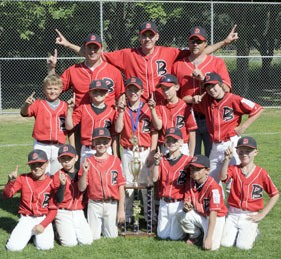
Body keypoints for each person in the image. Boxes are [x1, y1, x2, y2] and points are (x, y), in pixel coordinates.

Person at [54, 22, 238, 104]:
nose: (148, 39)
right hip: (139, 105)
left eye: (151, 35)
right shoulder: (128, 54)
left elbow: (198, 51)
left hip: (163, 104)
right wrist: (69, 44)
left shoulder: (169, 52)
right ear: (139, 37)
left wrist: (224, 42)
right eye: (144, 35)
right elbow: (94, 55)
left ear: (156, 36)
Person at [192, 72, 263, 186]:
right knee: (211, 183)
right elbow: (192, 104)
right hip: (215, 147)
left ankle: (236, 204)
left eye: (213, 86)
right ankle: (216, 204)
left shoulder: (233, 99)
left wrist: (243, 127)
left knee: (233, 184)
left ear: (220, 84)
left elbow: (258, 109)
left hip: (231, 144)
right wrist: (194, 99)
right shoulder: (207, 102)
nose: (211, 89)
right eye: (208, 87)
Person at [172, 25, 233, 157]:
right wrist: (191, 99)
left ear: (205, 43)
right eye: (192, 40)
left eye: (199, 41)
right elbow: (174, 97)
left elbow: (226, 89)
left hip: (212, 117)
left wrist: (204, 79)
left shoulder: (217, 62)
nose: (195, 44)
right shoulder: (178, 65)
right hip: (187, 117)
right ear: (188, 42)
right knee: (192, 161)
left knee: (215, 159)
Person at [220, 136, 279, 250]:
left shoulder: (261, 173)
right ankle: (240, 232)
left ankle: (254, 231)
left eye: (248, 151)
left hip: (250, 215)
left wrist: (262, 214)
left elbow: (275, 194)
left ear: (255, 152)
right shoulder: (234, 169)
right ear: (237, 152)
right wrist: (227, 159)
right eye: (241, 151)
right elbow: (223, 177)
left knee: (243, 247)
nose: (244, 154)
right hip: (233, 214)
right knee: (225, 244)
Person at [115, 76, 158, 223]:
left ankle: (149, 218)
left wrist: (152, 151)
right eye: (130, 89)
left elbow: (155, 130)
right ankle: (126, 218)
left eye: (136, 90)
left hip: (144, 151)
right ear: (126, 91)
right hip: (128, 151)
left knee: (146, 185)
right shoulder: (122, 108)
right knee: (128, 186)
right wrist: (120, 112)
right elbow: (118, 129)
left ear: (142, 91)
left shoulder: (147, 108)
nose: (133, 92)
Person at [3, 150, 57, 251]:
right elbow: (7, 195)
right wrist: (11, 182)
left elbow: (53, 209)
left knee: (46, 247)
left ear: (47, 163)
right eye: (33, 164)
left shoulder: (51, 182)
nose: (36, 167)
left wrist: (43, 225)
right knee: (12, 248)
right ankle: (29, 235)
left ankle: (34, 237)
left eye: (40, 164)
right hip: (26, 218)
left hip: (43, 218)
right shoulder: (23, 178)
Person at [78, 127, 126, 240]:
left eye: (105, 142)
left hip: (111, 204)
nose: (101, 145)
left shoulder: (116, 161)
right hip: (94, 204)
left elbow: (121, 186)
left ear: (110, 142)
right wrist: (84, 172)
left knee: (112, 236)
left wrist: (121, 210)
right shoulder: (88, 161)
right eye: (98, 142)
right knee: (93, 237)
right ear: (93, 143)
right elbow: (81, 188)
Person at [20, 73, 72, 175]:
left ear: (61, 89)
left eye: (55, 89)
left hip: (59, 145)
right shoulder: (38, 104)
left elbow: (70, 127)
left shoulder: (65, 106)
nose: (52, 91)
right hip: (41, 145)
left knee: (57, 175)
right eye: (49, 88)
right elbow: (24, 113)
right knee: (42, 175)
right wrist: (26, 104)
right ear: (44, 89)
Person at [177, 154, 227, 250]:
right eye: (192, 169)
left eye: (198, 169)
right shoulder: (190, 181)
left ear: (207, 170)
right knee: (181, 214)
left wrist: (208, 238)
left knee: (212, 247)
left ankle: (208, 233)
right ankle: (196, 234)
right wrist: (186, 205)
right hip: (201, 215)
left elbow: (214, 214)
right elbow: (187, 198)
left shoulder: (214, 188)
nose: (194, 172)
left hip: (215, 218)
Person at [151, 127, 192, 240]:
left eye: (175, 140)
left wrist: (188, 200)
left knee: (175, 237)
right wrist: (156, 163)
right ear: (164, 143)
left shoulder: (188, 160)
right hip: (164, 202)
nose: (171, 143)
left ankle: (192, 232)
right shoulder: (162, 159)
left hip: (178, 203)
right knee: (162, 235)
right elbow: (154, 179)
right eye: (169, 140)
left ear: (181, 142)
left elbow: (191, 184)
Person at [65, 79, 117, 165]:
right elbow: (69, 127)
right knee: (86, 176)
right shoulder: (83, 108)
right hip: (87, 150)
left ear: (107, 93)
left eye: (102, 91)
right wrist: (70, 110)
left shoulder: (112, 111)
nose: (98, 94)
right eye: (95, 91)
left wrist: (115, 152)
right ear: (90, 93)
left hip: (105, 149)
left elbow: (114, 134)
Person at [52, 144, 93, 246]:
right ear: (59, 160)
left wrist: (84, 173)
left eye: (69, 158)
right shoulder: (57, 175)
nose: (66, 161)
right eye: (63, 158)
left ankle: (67, 229)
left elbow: (82, 189)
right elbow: (59, 200)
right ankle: (56, 229)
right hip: (63, 211)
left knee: (87, 241)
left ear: (76, 158)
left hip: (78, 211)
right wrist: (62, 185)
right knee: (70, 243)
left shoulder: (80, 172)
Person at [148, 74, 197, 157]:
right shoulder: (159, 107)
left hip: (182, 146)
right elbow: (158, 126)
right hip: (166, 146)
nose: (165, 92)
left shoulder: (185, 107)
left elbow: (192, 132)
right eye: (163, 89)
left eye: (168, 88)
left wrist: (191, 154)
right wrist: (153, 110)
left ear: (177, 87)